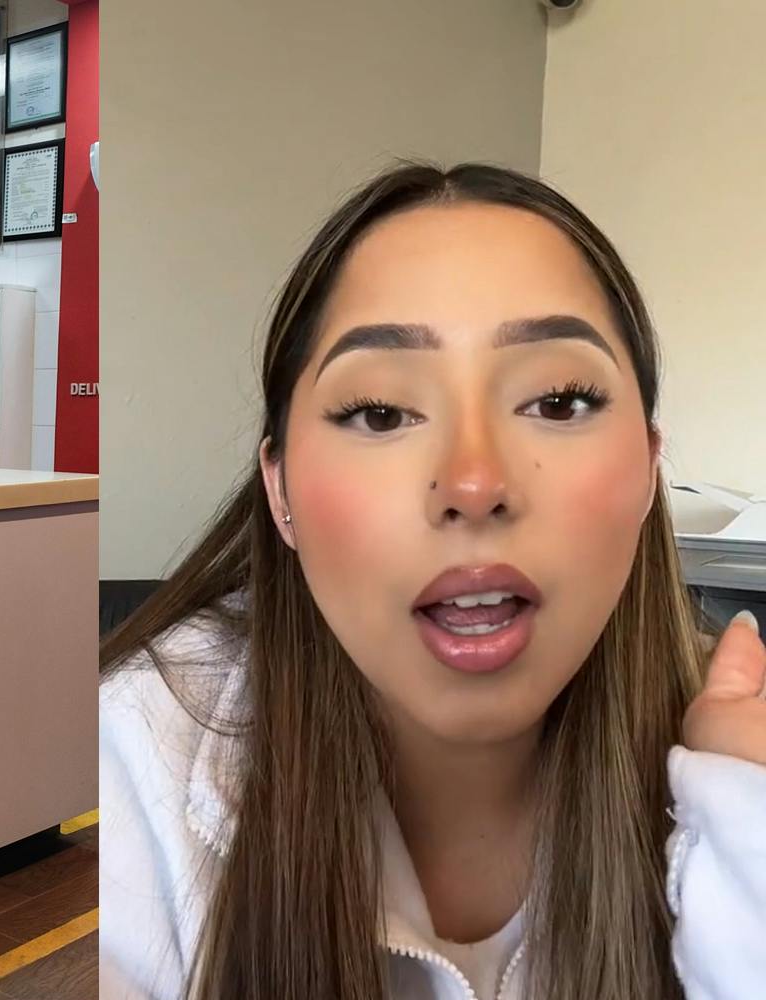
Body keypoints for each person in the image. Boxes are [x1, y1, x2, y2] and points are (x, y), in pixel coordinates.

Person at [98, 162, 766, 999]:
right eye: (380, 412)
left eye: (558, 402)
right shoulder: (138, 754)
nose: (474, 483)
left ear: (647, 471)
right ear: (281, 491)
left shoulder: (745, 777)